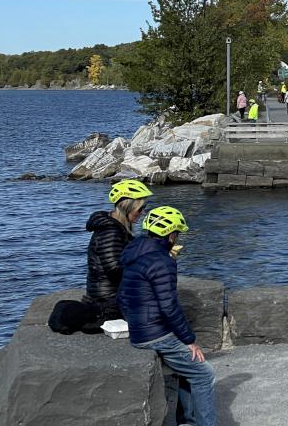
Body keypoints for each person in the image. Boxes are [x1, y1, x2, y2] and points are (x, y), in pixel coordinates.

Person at [118, 206, 217, 426]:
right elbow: (169, 306)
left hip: (139, 329)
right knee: (204, 372)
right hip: (155, 334)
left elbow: (122, 297)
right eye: (177, 233)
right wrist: (189, 340)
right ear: (171, 234)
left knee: (188, 369)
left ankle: (187, 422)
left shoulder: (135, 251)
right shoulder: (162, 261)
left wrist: (136, 323)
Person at [85, 179, 152, 320]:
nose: (143, 212)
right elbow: (114, 269)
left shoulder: (117, 227)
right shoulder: (111, 231)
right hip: (108, 301)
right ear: (127, 208)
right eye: (140, 208)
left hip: (113, 295)